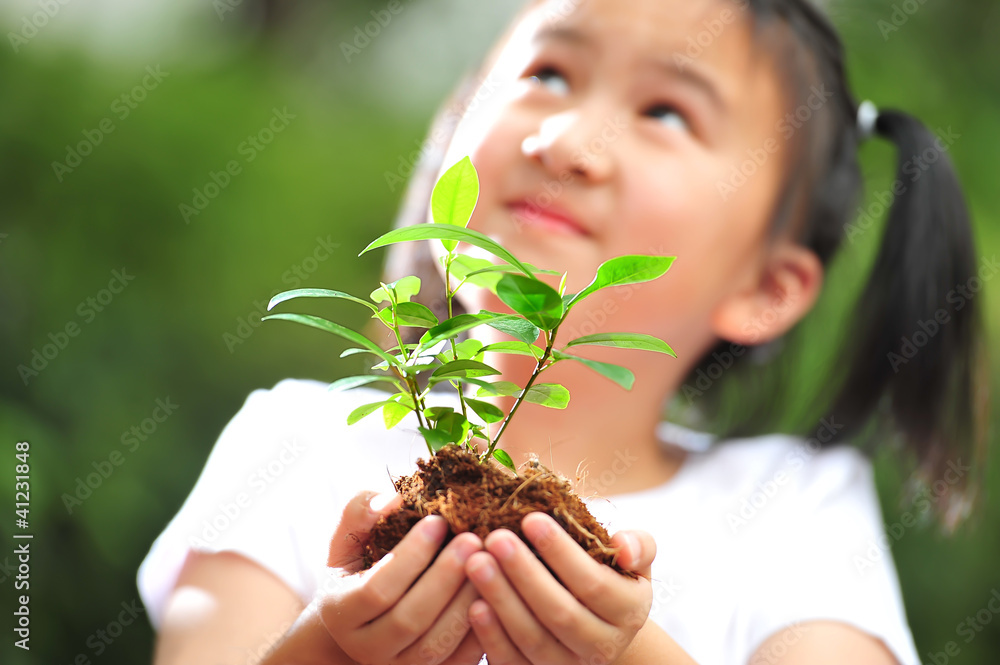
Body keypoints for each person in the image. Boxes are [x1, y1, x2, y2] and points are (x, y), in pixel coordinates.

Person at [137, 0, 988, 663]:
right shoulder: (296, 444)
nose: (566, 139)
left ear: (766, 285)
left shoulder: (794, 510)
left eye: (666, 112)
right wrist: (334, 648)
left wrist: (624, 650)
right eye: (547, 73)